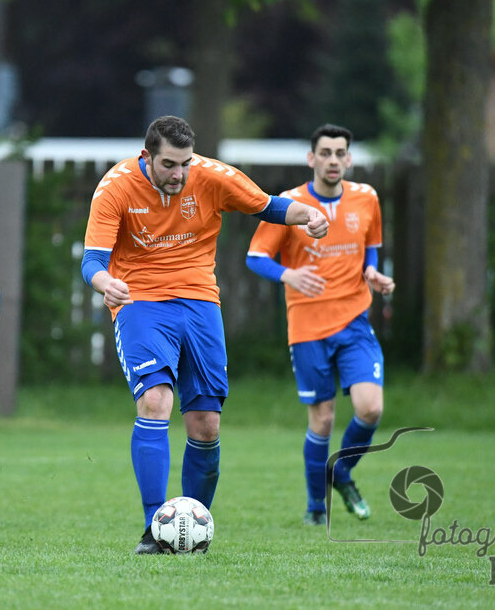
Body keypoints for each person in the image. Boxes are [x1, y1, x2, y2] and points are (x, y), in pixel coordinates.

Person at [81, 115, 329, 553]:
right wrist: (106, 283)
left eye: (185, 164)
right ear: (147, 157)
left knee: (206, 425)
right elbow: (92, 261)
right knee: (155, 400)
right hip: (140, 301)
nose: (179, 174)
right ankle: (155, 530)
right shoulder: (116, 187)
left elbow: (267, 206)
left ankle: (190, 528)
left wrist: (307, 213)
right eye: (169, 165)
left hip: (198, 302)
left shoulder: (211, 176)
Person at [245, 123, 395, 526]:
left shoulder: (367, 198)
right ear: (311, 159)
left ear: (349, 158)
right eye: (325, 153)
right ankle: (316, 508)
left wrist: (373, 273)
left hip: (354, 321)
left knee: (371, 408)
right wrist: (288, 276)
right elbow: (255, 257)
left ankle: (341, 473)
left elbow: (372, 247)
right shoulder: (289, 205)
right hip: (308, 326)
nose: (333, 160)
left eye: (340, 152)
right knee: (323, 419)